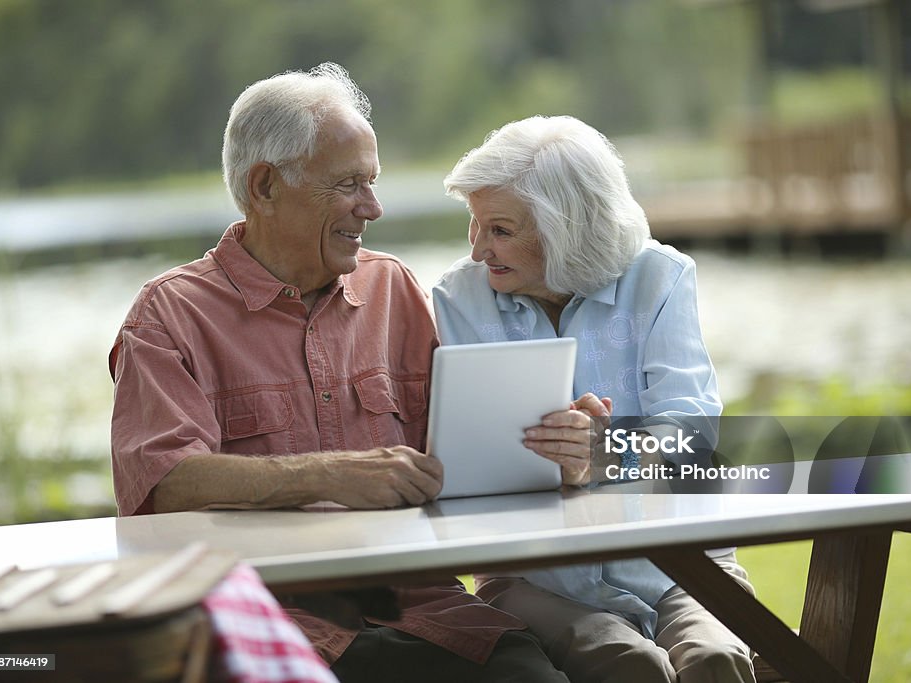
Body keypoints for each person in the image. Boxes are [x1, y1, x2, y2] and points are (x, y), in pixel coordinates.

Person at [109, 64, 567, 683]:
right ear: (266, 186)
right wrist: (326, 475)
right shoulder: (168, 316)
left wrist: (556, 443)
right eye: (349, 184)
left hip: (427, 610)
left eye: (371, 182)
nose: (372, 207)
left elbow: (468, 455)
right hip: (274, 624)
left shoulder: (393, 288)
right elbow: (161, 485)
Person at [432, 115, 756, 683]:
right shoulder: (458, 299)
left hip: (681, 565)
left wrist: (606, 451)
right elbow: (466, 463)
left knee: (716, 660)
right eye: (475, 225)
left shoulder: (661, 277)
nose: (480, 249)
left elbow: (691, 434)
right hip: (536, 576)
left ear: (565, 229)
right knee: (628, 664)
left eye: (501, 230)